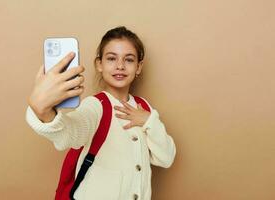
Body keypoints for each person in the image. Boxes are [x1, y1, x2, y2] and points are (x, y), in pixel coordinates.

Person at [26, 26, 176, 200]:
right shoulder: (96, 106)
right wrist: (43, 112)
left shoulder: (144, 108)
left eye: (129, 60)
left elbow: (166, 158)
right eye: (111, 58)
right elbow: (70, 133)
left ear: (138, 67)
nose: (120, 66)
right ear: (99, 64)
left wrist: (149, 120)